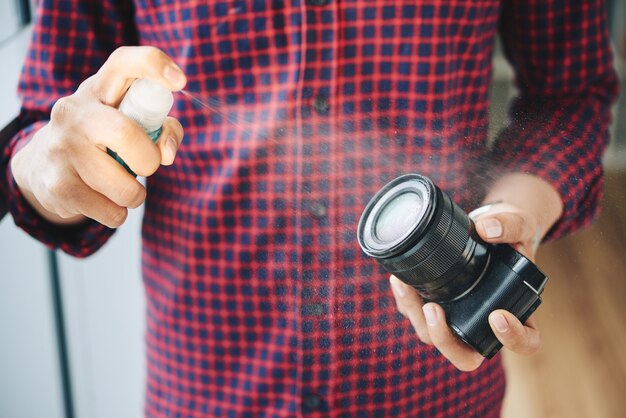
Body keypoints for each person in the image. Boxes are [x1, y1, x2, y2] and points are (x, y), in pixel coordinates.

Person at [0, 1, 618, 416]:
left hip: (431, 382)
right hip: (209, 378)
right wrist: (48, 170)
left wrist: (518, 210)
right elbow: (39, 126)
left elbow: (571, 92)